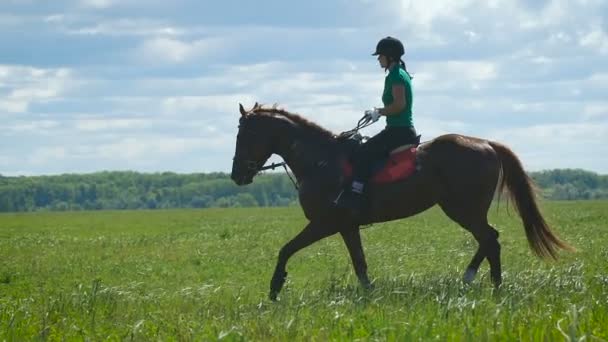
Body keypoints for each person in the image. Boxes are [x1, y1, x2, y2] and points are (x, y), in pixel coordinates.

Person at [335, 36, 419, 216]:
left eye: (380, 55)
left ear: (389, 56)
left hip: (399, 131)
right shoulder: (398, 73)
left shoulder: (396, 75)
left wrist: (379, 112)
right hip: (396, 129)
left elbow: (399, 105)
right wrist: (377, 112)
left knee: (362, 152)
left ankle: (356, 196)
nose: (378, 59)